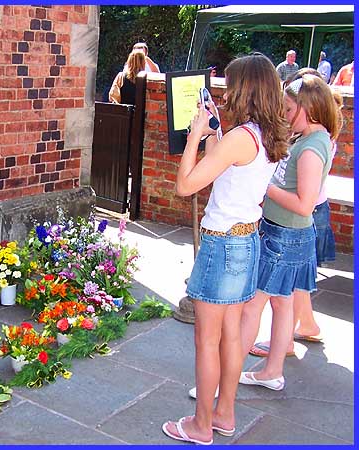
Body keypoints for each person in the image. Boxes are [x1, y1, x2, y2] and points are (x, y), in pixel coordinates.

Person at [161, 53, 288, 445]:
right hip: (248, 239)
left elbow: (186, 185)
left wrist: (197, 134)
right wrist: (216, 132)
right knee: (232, 335)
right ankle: (225, 414)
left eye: (231, 84)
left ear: (245, 89)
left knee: (206, 339)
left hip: (222, 244)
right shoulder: (266, 134)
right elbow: (233, 168)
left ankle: (201, 425)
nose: (226, 91)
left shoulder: (239, 138)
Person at [238, 73, 341, 392]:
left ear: (306, 109)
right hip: (290, 236)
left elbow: (304, 204)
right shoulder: (314, 137)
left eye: (287, 109)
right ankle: (272, 372)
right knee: (282, 304)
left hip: (284, 236)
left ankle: (222, 379)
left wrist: (265, 188)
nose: (283, 114)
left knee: (252, 306)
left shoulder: (311, 148)